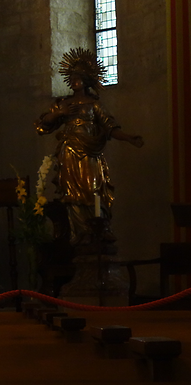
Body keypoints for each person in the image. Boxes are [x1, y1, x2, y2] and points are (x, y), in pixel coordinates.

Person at [35, 48, 143, 246]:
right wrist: (60, 113)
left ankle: (100, 230)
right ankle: (80, 233)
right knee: (72, 194)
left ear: (87, 80)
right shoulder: (63, 104)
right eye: (73, 76)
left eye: (79, 77)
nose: (75, 80)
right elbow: (42, 126)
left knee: (94, 189)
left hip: (90, 153)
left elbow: (110, 127)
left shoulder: (94, 104)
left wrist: (128, 137)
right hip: (68, 153)